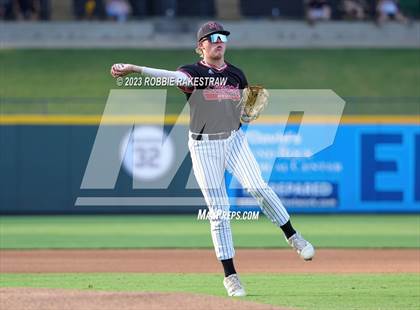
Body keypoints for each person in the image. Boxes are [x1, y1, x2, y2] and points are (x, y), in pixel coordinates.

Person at [110, 21, 315, 297]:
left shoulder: (237, 75)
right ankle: (231, 277)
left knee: (258, 186)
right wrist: (135, 69)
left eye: (222, 37)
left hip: (234, 140)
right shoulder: (193, 72)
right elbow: (171, 78)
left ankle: (293, 236)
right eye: (212, 38)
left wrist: (246, 115)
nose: (219, 41)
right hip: (203, 147)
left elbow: (243, 112)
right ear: (200, 47)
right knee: (218, 213)